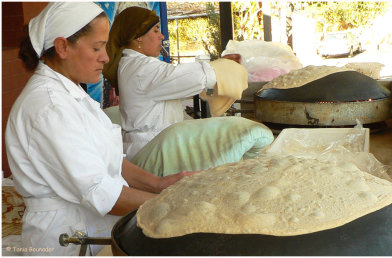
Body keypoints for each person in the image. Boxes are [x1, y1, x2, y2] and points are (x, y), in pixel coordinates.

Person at [5, 2, 194, 256]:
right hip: (63, 240)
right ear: (62, 47)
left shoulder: (75, 96)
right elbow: (100, 192)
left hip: (91, 231)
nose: (105, 57)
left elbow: (111, 161)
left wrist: (159, 184)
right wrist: (170, 203)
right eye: (97, 47)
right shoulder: (48, 107)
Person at [103, 6, 244, 161]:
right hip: (151, 151)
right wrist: (220, 67)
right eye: (156, 30)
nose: (162, 36)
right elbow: (183, 78)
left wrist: (217, 66)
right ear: (138, 36)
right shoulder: (142, 69)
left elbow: (175, 78)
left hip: (150, 148)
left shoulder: (133, 64)